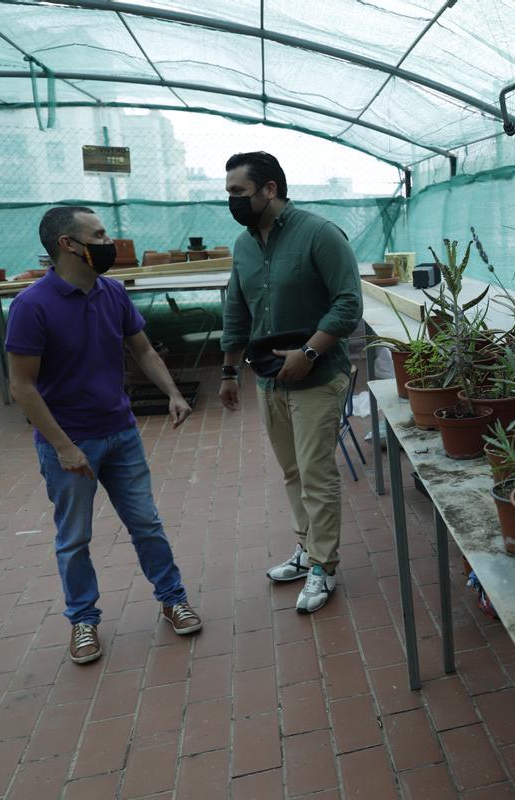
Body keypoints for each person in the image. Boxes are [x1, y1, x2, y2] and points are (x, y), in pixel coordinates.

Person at [6, 206, 202, 666]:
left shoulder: (112, 292)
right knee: (74, 538)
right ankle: (82, 621)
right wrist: (63, 446)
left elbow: (143, 349)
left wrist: (172, 392)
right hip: (70, 445)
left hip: (121, 433)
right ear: (67, 245)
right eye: (97, 234)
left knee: (146, 524)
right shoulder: (32, 306)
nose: (107, 241)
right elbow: (22, 386)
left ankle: (172, 598)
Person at [219, 151, 362, 614]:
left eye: (238, 193)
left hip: (317, 375)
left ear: (270, 189)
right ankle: (307, 549)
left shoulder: (319, 234)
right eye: (229, 194)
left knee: (317, 474)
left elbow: (347, 304)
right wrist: (227, 370)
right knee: (292, 471)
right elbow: (236, 309)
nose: (232, 202)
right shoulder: (243, 245)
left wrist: (309, 353)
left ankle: (324, 566)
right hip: (268, 378)